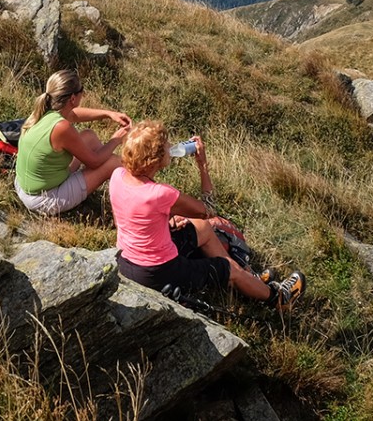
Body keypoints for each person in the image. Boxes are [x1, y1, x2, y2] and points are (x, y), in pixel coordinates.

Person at [109, 120, 303, 311]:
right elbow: (208, 210)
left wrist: (161, 224)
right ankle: (278, 299)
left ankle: (250, 277)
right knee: (229, 269)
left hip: (126, 262)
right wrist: (203, 165)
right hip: (158, 272)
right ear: (155, 161)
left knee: (203, 229)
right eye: (166, 145)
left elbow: (124, 222)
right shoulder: (160, 194)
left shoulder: (117, 175)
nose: (170, 147)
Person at [14, 68, 131, 215]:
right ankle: (134, 204)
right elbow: (93, 162)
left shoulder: (44, 109)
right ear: (73, 99)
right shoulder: (61, 127)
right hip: (44, 198)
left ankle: (115, 185)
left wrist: (108, 114)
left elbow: (73, 115)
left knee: (88, 136)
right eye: (81, 90)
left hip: (26, 185)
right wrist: (116, 139)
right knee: (114, 163)